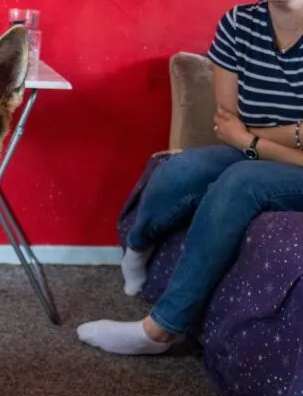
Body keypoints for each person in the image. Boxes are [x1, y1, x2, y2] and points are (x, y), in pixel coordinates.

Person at [77, 0, 303, 355]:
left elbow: (240, 133)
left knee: (242, 182)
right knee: (184, 168)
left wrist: (250, 139)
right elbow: (228, 123)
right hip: (251, 148)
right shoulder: (240, 22)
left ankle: (161, 330)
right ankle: (138, 245)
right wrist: (275, 136)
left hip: (281, 164)